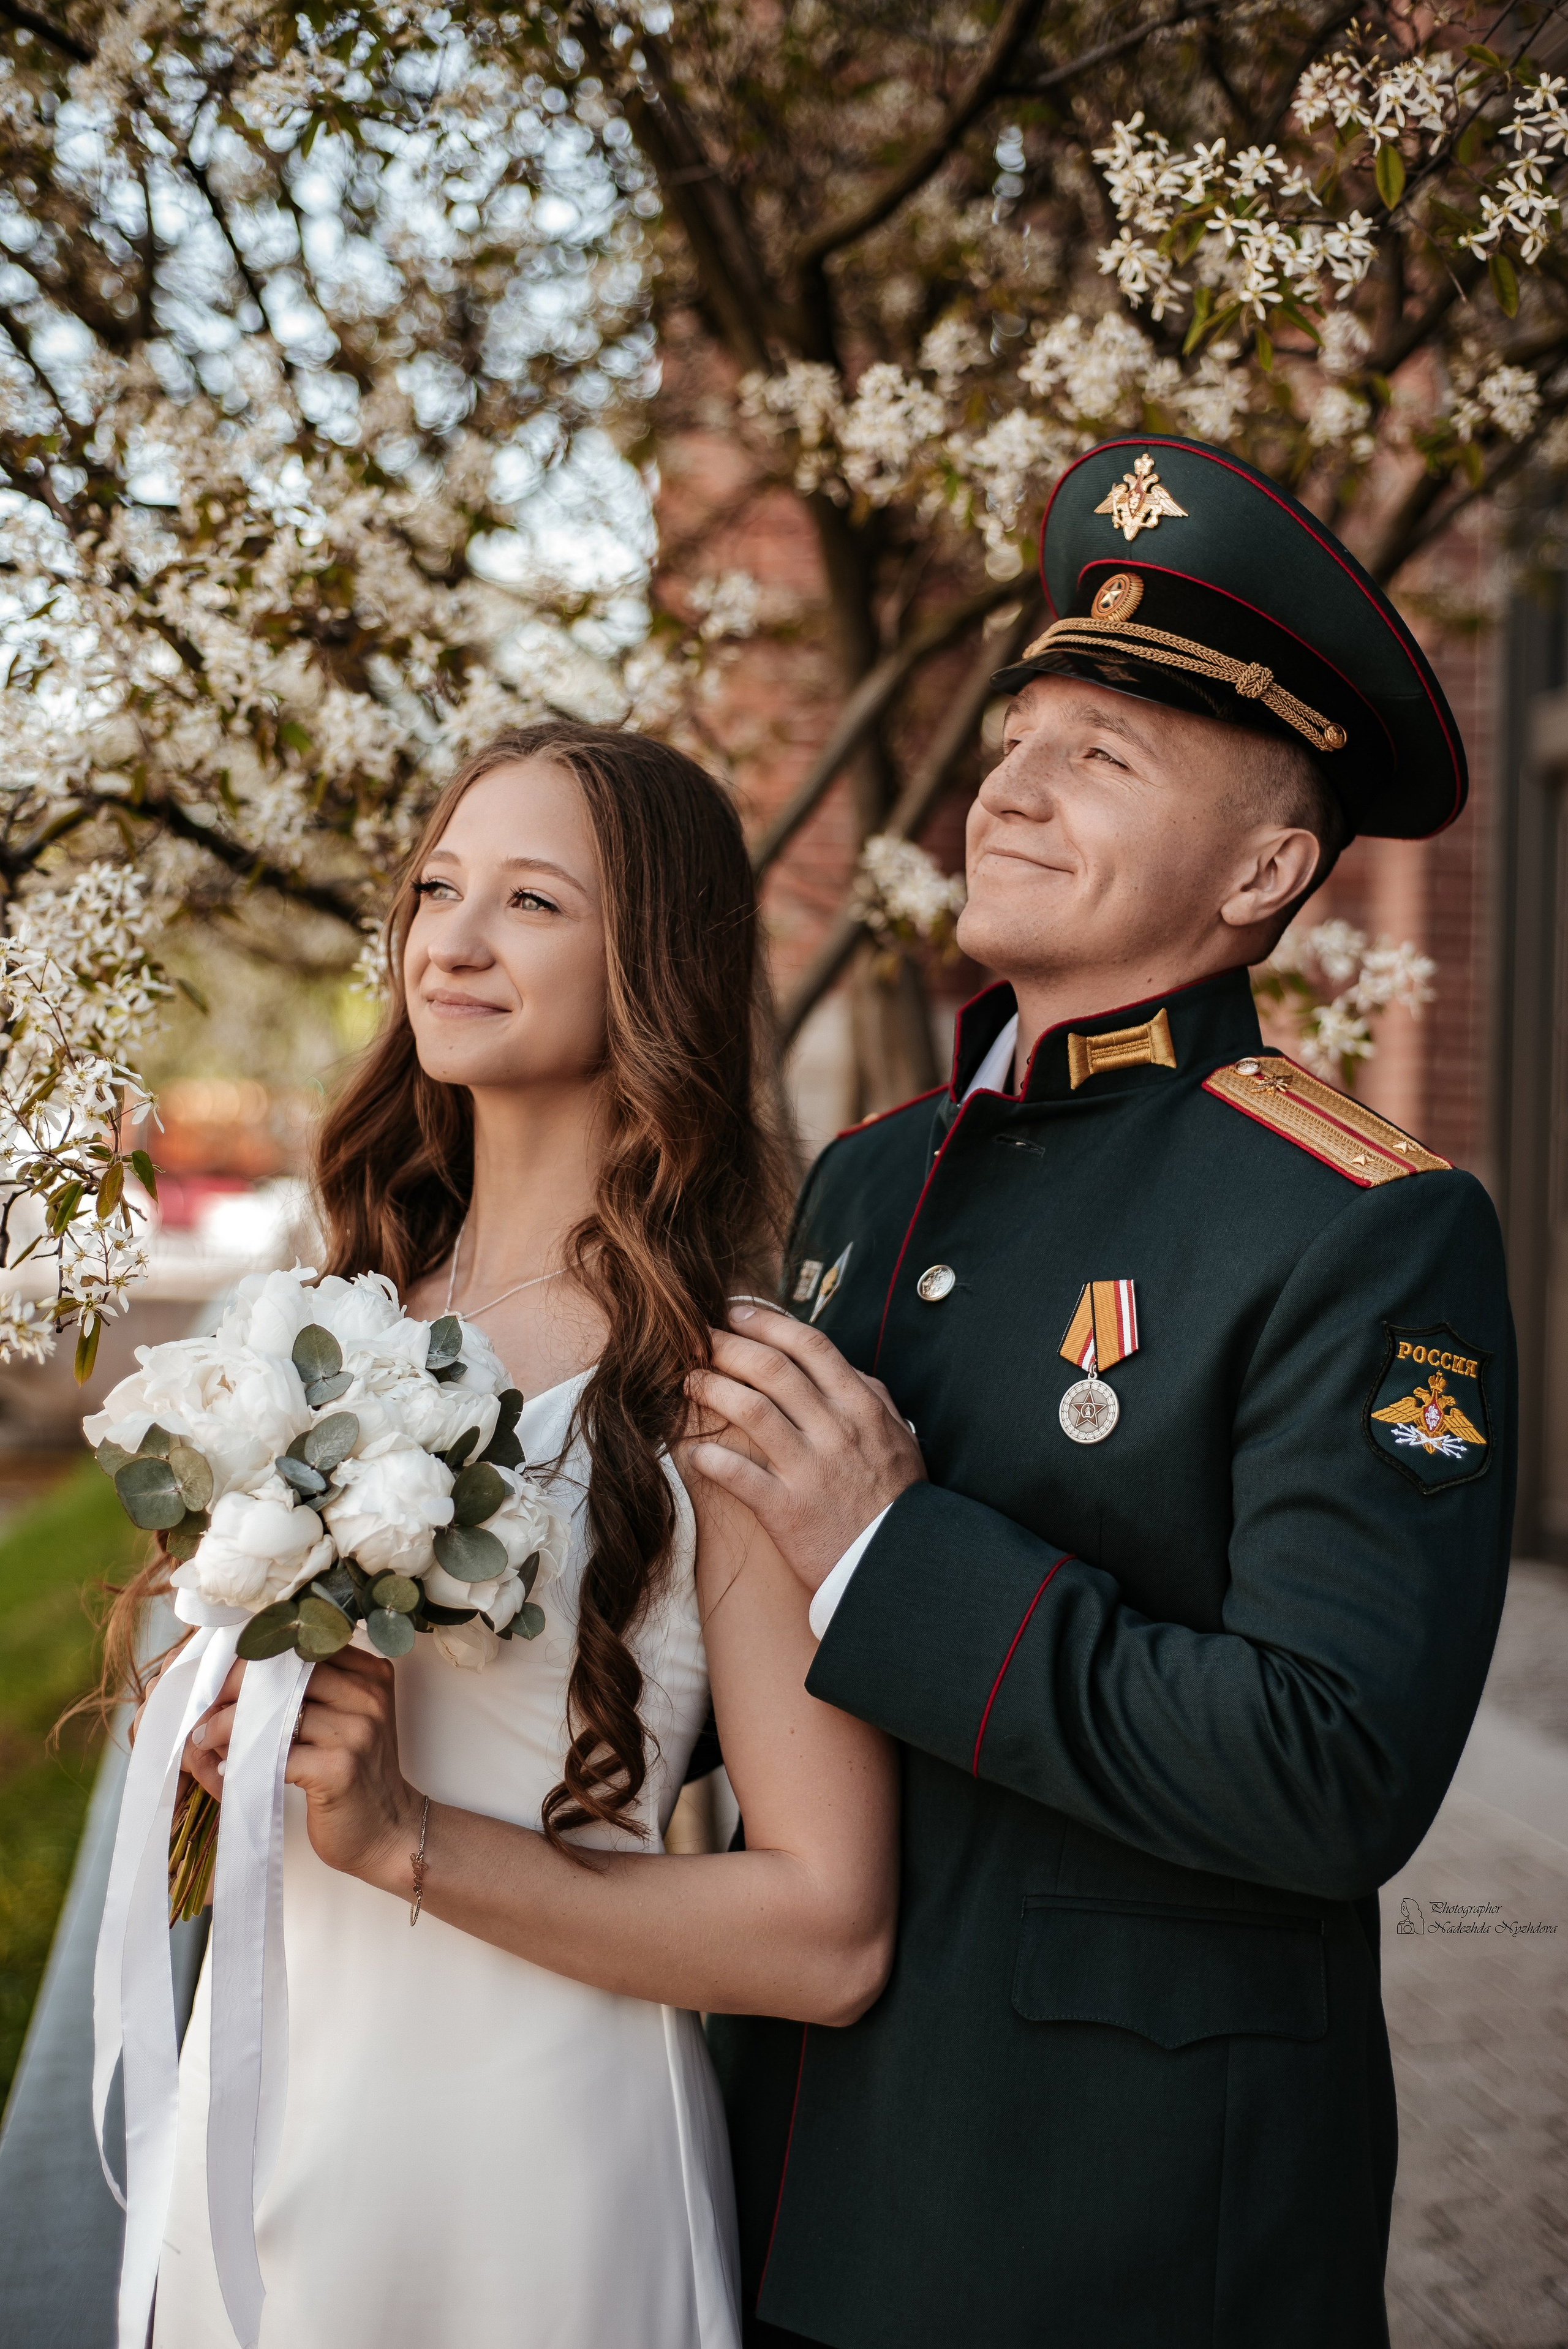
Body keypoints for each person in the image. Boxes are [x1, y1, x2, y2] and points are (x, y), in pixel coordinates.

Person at [689, 437, 1516, 2349]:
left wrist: (896, 1557)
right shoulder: (871, 1179)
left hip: (1108, 2227)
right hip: (784, 2168)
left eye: (1103, 757)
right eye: (1021, 731)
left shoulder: (1368, 1227)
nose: (1013, 781)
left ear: (1267, 870)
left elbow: (1331, 1769)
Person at [141, 722, 900, 2349]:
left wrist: (414, 1839)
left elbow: (831, 1929)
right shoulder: (325, 1319)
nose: (454, 941)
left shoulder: (729, 1387)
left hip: (540, 2160)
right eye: (437, 887)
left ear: (657, 965)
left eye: (532, 901)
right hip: (274, 2106)